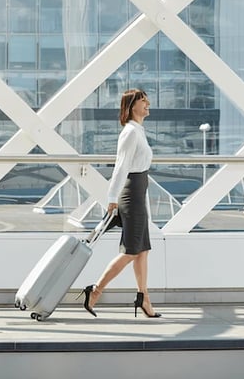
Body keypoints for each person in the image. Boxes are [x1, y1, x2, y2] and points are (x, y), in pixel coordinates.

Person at [80, 88, 161, 318]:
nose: (148, 104)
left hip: (138, 193)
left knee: (142, 250)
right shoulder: (130, 132)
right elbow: (121, 166)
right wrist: (112, 198)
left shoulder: (139, 131)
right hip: (131, 194)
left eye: (147, 100)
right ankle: (95, 291)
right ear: (132, 106)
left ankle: (144, 298)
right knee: (131, 251)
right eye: (143, 101)